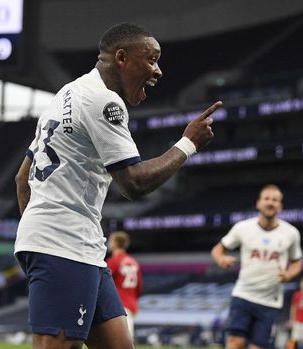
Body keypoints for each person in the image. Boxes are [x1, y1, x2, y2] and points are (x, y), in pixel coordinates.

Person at [15, 22, 222, 349]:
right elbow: (135, 183)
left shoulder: (66, 93)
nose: (158, 71)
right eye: (151, 60)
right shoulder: (104, 102)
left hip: (79, 246)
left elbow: (22, 179)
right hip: (65, 243)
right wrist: (187, 143)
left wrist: (37, 234)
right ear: (122, 58)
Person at [211, 184, 303, 349]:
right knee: (234, 343)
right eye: (266, 199)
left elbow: (297, 262)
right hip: (243, 295)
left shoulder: (291, 233)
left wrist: (289, 274)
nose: (270, 203)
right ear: (258, 203)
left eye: (275, 200)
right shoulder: (243, 228)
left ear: (280, 206)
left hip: (270, 302)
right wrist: (220, 259)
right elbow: (218, 249)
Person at [106, 231, 143, 340]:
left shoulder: (113, 261)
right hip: (131, 304)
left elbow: (104, 283)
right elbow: (139, 286)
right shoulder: (133, 262)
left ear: (115, 243)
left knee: (116, 341)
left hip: (118, 305)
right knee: (126, 340)